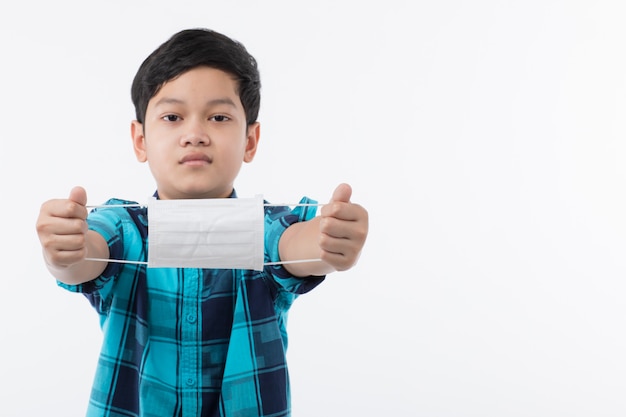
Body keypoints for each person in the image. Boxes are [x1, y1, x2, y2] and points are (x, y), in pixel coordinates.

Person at [35, 28, 368, 417]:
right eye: (173, 117)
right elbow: (82, 259)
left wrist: (328, 240)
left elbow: (298, 245)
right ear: (140, 139)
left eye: (219, 117)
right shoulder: (122, 229)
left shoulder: (266, 230)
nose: (194, 134)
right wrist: (63, 248)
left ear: (250, 141)